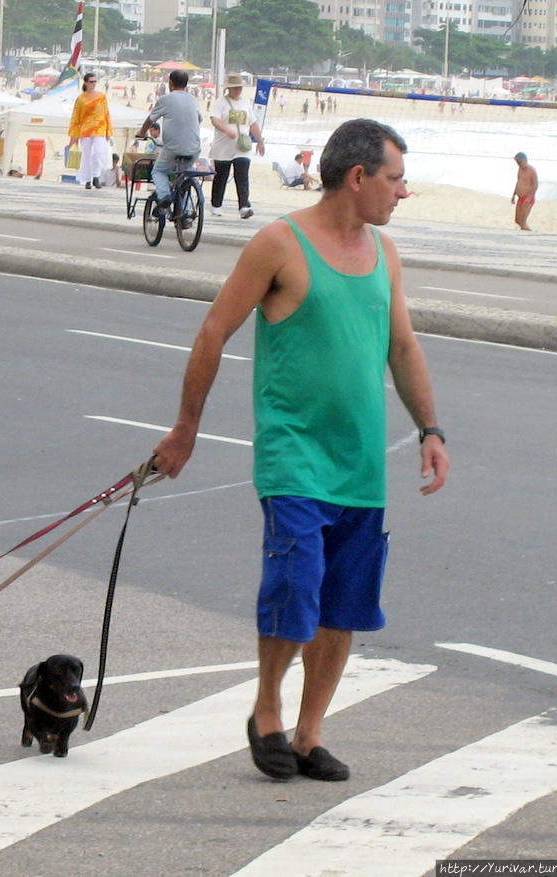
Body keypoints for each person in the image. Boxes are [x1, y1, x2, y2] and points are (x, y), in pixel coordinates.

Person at [152, 118, 449, 784]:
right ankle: (266, 712)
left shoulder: (385, 254)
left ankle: (311, 733)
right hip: (293, 457)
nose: (403, 192)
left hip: (361, 464)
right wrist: (185, 428)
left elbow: (403, 348)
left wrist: (431, 429)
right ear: (357, 177)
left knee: (343, 605)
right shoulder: (279, 244)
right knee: (295, 585)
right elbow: (212, 334)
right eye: (396, 179)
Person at [135, 70, 202, 213]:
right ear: (187, 84)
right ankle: (184, 211)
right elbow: (199, 119)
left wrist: (141, 132)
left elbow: (151, 119)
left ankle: (165, 196)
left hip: (173, 149)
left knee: (158, 171)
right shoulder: (193, 100)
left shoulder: (166, 99)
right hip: (194, 149)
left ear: (170, 82)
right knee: (184, 175)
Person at [209, 73, 265, 219]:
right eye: (235, 88)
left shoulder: (246, 103)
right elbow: (214, 120)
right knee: (221, 176)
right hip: (223, 146)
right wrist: (227, 129)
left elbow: (252, 123)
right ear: (229, 89)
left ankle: (244, 206)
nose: (237, 90)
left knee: (242, 175)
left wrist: (260, 140)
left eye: (239, 88)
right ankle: (216, 205)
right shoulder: (220, 103)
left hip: (242, 146)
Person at [68, 72, 113, 190]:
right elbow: (76, 117)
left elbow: (106, 113)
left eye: (95, 81)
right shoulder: (81, 98)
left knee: (98, 152)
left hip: (100, 128)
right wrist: (74, 135)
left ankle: (96, 176)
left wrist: (109, 131)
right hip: (85, 129)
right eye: (91, 81)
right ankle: (87, 179)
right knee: (87, 155)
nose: (93, 84)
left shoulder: (101, 96)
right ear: (86, 83)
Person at [510, 152, 538, 231]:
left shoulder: (532, 170)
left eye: (520, 162)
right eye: (517, 163)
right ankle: (525, 231)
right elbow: (518, 182)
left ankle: (529, 233)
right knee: (517, 220)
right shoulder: (520, 169)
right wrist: (513, 195)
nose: (519, 164)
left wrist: (530, 196)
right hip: (520, 197)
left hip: (528, 197)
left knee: (522, 221)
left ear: (525, 160)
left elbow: (535, 185)